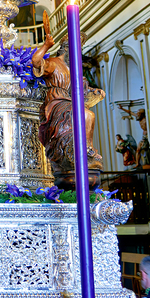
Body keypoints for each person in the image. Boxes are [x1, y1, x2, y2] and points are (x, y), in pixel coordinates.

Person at [31, 12, 104, 176]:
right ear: (66, 48)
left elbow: (81, 89)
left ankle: (86, 150)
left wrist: (94, 91)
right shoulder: (54, 63)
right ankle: (83, 150)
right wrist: (46, 46)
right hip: (56, 103)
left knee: (88, 115)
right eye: (76, 49)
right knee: (86, 115)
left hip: (70, 102)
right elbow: (35, 61)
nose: (79, 53)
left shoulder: (74, 68)